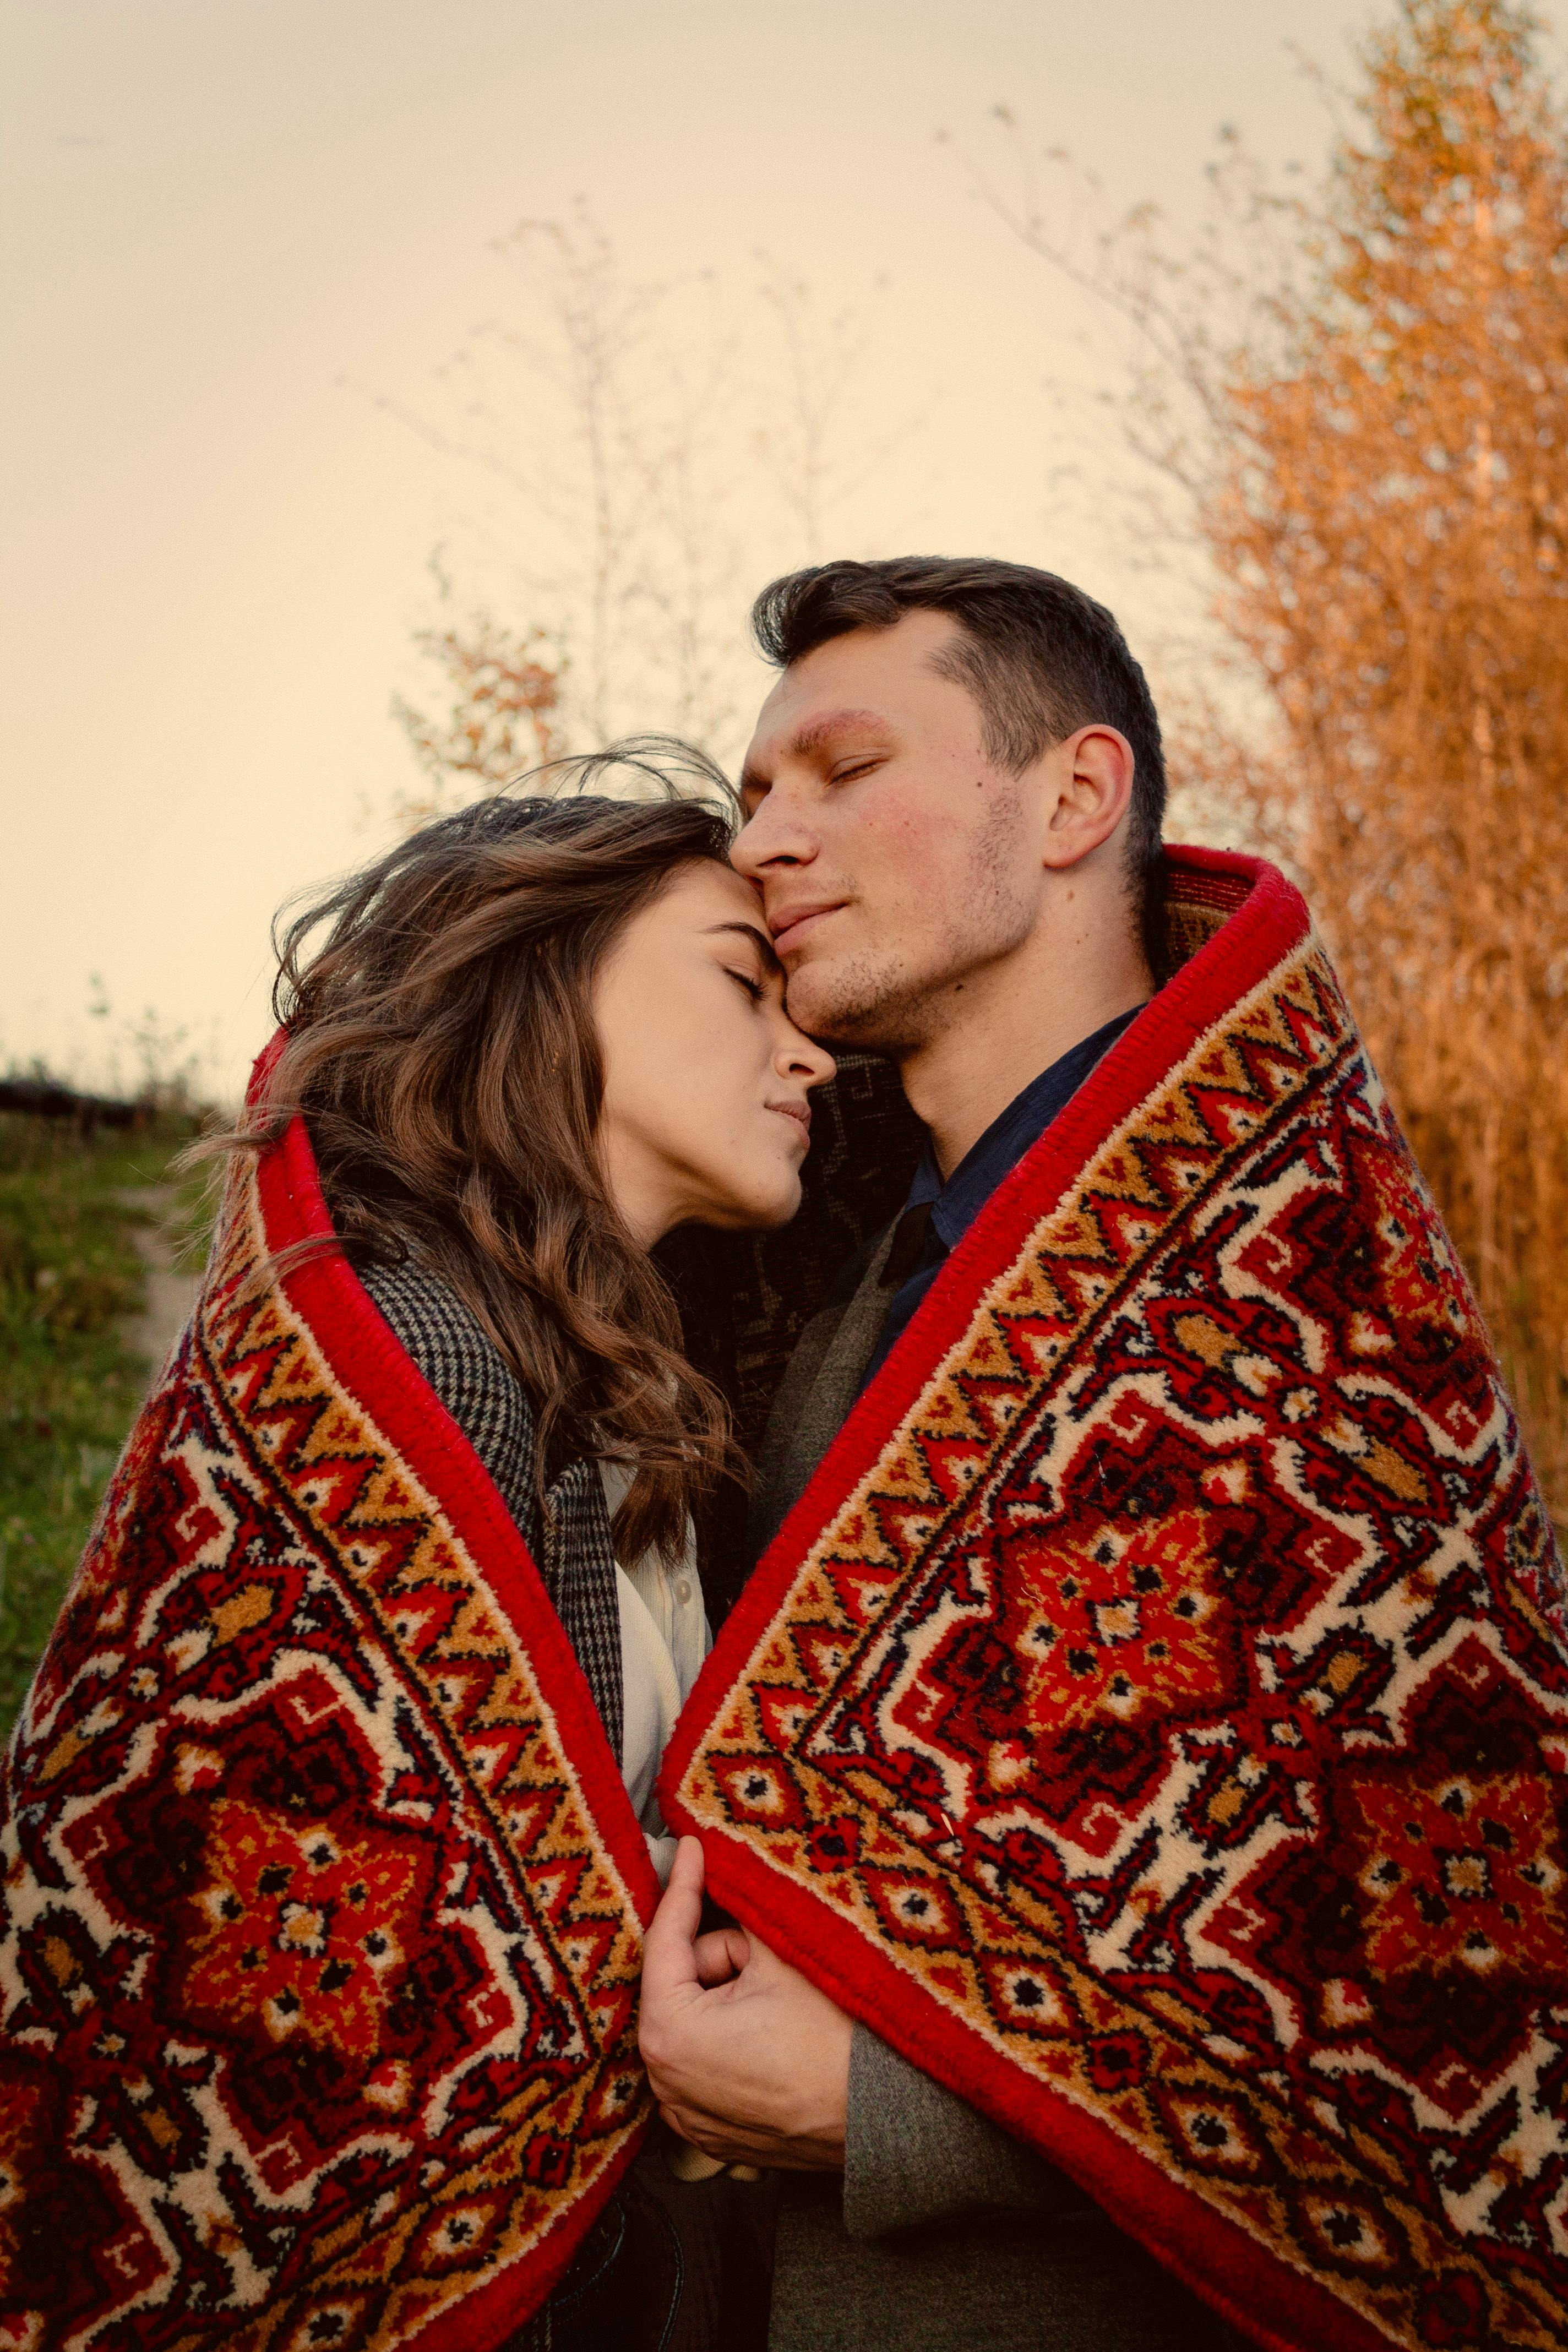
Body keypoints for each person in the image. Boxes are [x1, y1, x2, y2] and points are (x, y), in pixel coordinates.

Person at [639, 560, 1568, 2351]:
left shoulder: (1303, 1309)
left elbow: (1471, 2011)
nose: (764, 840)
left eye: (841, 771)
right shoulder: (819, 1272)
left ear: (1073, 799)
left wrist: (897, 2115)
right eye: (755, 797)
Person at [0, 765, 832, 2352]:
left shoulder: (600, 1377)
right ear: (543, 974)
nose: (805, 1051)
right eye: (742, 980)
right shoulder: (417, 1348)